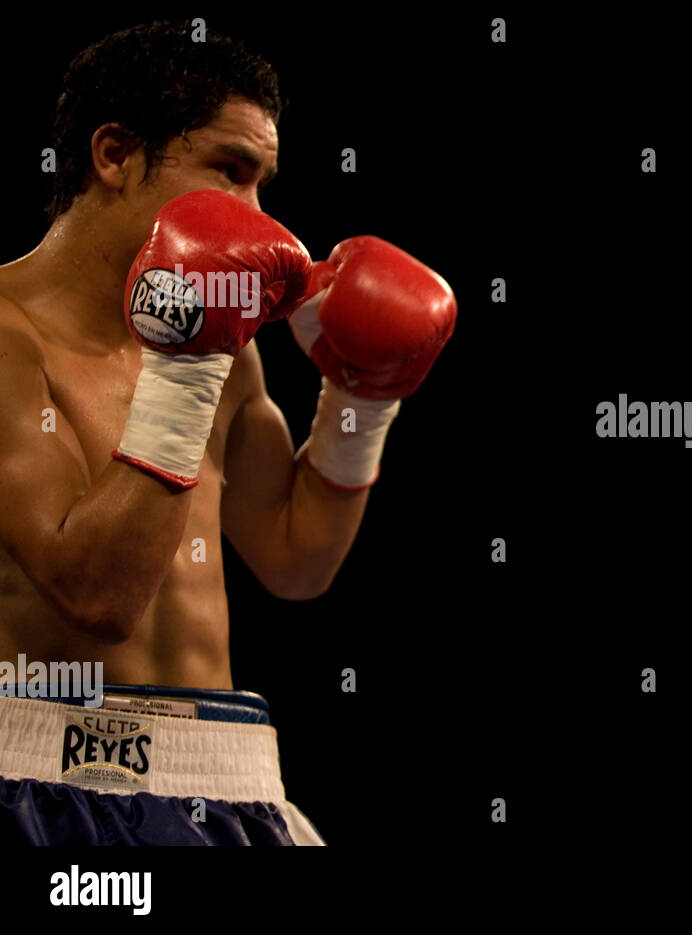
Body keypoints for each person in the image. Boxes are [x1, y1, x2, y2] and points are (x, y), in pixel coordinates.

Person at [0, 21, 457, 844]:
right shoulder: (6, 341)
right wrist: (188, 366)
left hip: (224, 770)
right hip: (42, 778)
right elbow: (98, 596)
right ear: (114, 155)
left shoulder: (224, 352)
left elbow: (294, 557)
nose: (257, 217)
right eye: (229, 171)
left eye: (264, 183)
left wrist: (360, 402)